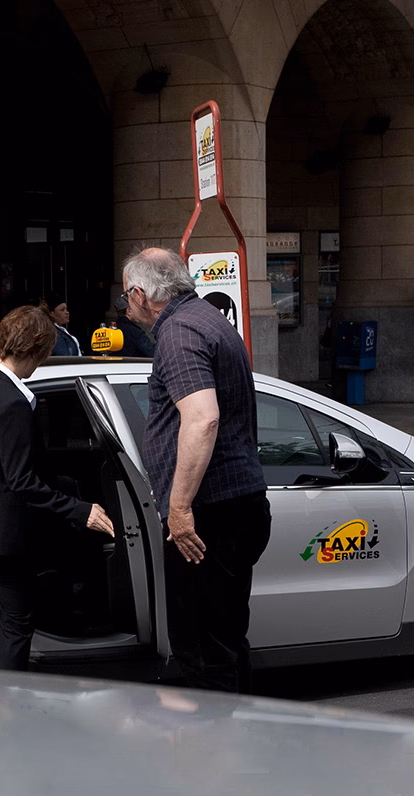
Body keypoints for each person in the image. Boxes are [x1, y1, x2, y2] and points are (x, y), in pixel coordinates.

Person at [122, 247, 270, 694]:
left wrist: (180, 507)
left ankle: (215, 753)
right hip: (234, 504)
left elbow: (202, 417)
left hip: (210, 515)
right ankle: (236, 744)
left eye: (125, 299)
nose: (126, 308)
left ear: (140, 294)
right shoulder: (206, 319)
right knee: (224, 637)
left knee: (202, 645)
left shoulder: (179, 333)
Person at [0, 306, 115, 671]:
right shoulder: (13, 403)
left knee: (17, 613)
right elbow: (21, 481)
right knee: (17, 625)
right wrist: (81, 511)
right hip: (3, 533)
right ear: (39, 351)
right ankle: (13, 701)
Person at [112, 293, 156, 357]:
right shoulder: (134, 332)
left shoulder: (111, 331)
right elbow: (153, 352)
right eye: (137, 308)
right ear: (129, 311)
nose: (140, 312)